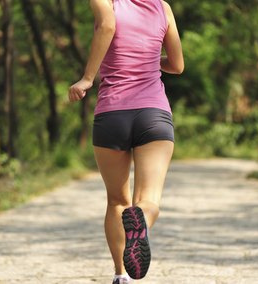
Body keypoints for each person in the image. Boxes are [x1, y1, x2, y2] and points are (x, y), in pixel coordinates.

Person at [68, 0, 184, 283]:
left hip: (112, 114)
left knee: (116, 200)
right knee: (148, 200)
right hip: (154, 114)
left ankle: (121, 276)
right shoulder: (163, 8)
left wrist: (86, 78)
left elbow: (107, 25)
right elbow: (177, 65)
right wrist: (147, 58)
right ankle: (141, 221)